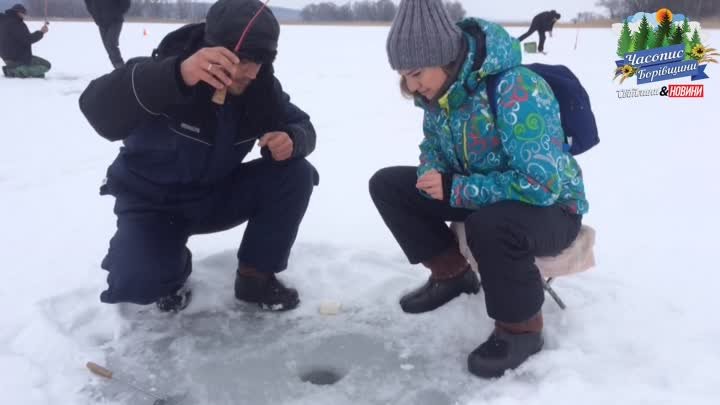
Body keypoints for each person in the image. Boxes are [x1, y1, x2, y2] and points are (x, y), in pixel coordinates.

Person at [370, 0, 587, 379]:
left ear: (445, 58)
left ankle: (520, 328)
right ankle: (452, 274)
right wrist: (432, 170)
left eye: (417, 73)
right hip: (485, 198)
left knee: (491, 224)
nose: (411, 86)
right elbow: (432, 147)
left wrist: (455, 189)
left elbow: (540, 184)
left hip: (553, 209)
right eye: (404, 76)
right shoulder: (439, 96)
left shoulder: (516, 89)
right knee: (389, 186)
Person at [79, 0, 318, 313]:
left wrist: (293, 140)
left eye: (256, 61)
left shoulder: (261, 90)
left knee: (296, 174)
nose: (244, 72)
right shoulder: (163, 70)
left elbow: (302, 125)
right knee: (137, 281)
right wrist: (176, 75)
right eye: (236, 59)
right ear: (211, 49)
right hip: (151, 206)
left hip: (215, 196)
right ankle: (169, 266)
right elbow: (96, 109)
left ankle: (255, 277)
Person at [0, 4, 50, 78]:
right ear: (18, 13)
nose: (24, 16)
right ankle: (14, 71)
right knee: (46, 65)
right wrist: (41, 32)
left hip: (7, 57)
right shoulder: (16, 23)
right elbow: (27, 39)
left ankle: (17, 69)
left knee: (40, 75)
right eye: (23, 13)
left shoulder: (4, 20)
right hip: (18, 58)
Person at [84, 0, 131, 68]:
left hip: (115, 20)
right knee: (108, 48)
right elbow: (88, 3)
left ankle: (121, 68)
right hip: (101, 22)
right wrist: (95, 15)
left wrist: (118, 12)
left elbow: (126, 3)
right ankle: (118, 69)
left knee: (111, 44)